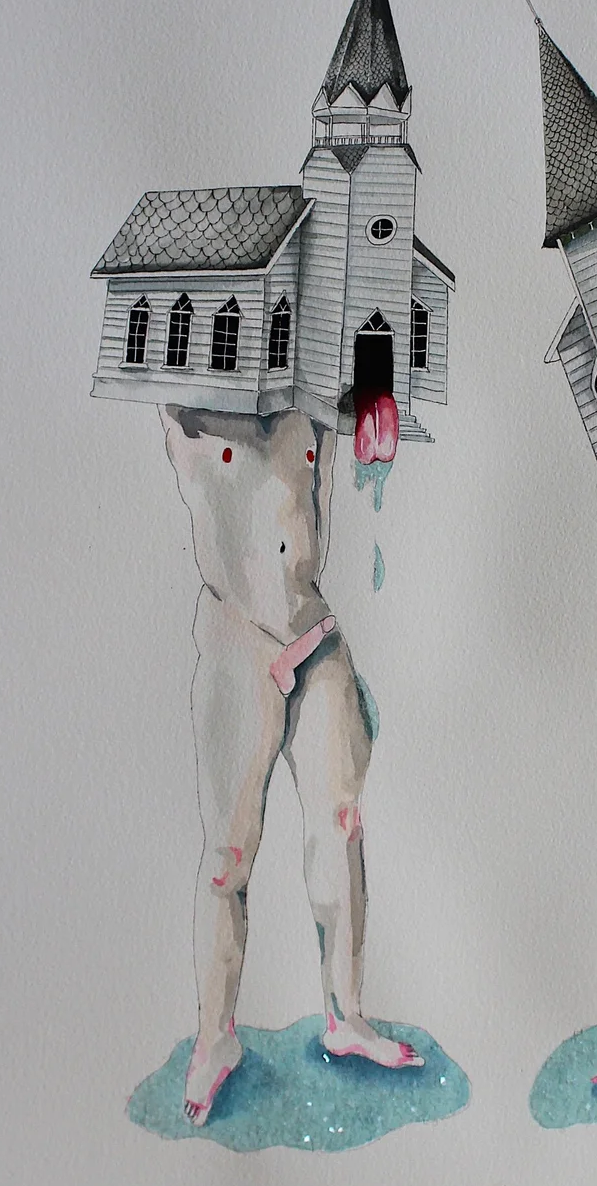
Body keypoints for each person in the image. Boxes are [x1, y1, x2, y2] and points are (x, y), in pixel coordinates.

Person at [160, 399, 419, 1125]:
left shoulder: (315, 395)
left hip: (312, 628)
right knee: (226, 857)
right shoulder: (191, 404)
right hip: (237, 635)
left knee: (341, 825)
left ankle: (346, 1014)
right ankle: (215, 1038)